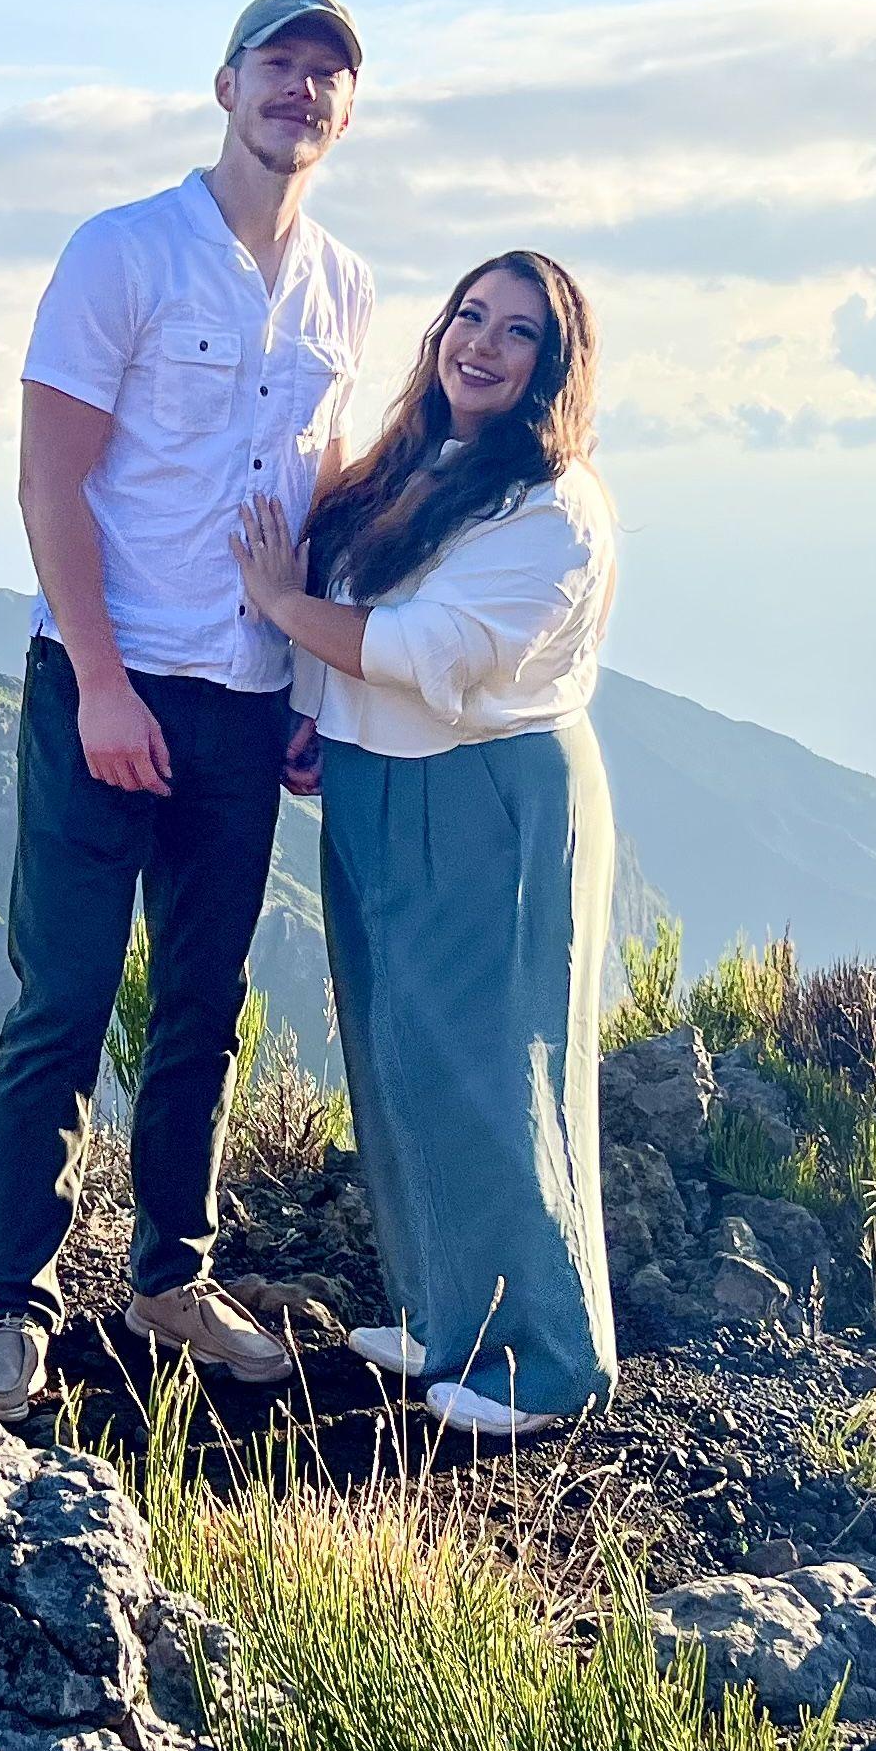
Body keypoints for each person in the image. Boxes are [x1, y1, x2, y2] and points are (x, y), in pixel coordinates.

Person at [0, 0, 382, 1422]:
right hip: (105, 681)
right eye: (282, 66)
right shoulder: (123, 252)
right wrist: (97, 682)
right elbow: (48, 480)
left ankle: (168, 1277)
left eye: (329, 77)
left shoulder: (344, 289)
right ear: (225, 83)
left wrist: (309, 688)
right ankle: (14, 1304)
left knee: (204, 1004)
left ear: (344, 110)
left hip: (247, 702)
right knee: (65, 1002)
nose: (304, 93)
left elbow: (313, 505)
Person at [228, 253, 620, 1441]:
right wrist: (315, 705)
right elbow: (365, 624)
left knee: (495, 1071)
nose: (482, 345)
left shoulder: (551, 506)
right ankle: (452, 1315)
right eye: (469, 316)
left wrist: (286, 608)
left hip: (485, 799)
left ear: (555, 368)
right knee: (401, 1061)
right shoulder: (419, 464)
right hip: (382, 789)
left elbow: (435, 655)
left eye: (518, 334)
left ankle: (544, 1360)